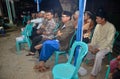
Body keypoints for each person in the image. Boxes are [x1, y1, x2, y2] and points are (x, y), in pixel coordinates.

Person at [85, 9, 116, 79]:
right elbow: (94, 37)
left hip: (106, 47)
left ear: (103, 19)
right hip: (97, 44)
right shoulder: (98, 25)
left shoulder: (111, 27)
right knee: (85, 46)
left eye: (97, 18)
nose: (96, 20)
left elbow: (108, 42)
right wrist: (91, 45)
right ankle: (92, 60)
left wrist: (98, 49)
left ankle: (94, 73)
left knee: (99, 55)